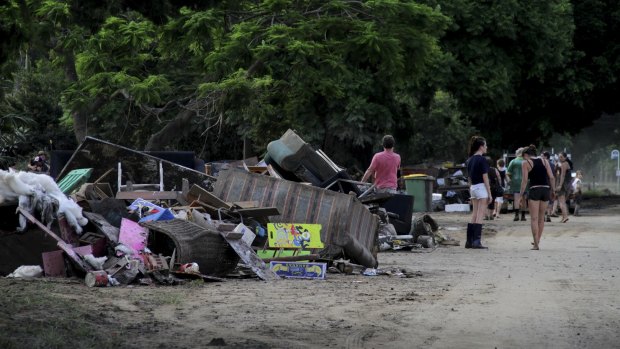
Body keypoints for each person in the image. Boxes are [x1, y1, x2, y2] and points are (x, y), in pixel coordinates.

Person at [519, 145, 555, 250]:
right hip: (545, 190)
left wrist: (521, 195)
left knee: (534, 218)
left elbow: (524, 180)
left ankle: (536, 244)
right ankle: (537, 240)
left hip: (534, 190)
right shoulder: (545, 161)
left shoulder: (526, 163)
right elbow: (551, 177)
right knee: (541, 218)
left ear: (526, 155)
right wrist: (553, 190)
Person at [465, 136, 491, 249]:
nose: (486, 147)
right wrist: (489, 193)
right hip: (481, 187)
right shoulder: (482, 160)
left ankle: (469, 241)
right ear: (481, 147)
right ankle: (477, 242)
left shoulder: (469, 160)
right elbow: (485, 178)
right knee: (480, 214)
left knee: (474, 214)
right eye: (485, 145)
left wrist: (471, 189)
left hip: (473, 188)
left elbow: (469, 178)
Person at [506, 147, 527, 222]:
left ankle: (516, 215)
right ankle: (523, 216)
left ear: (517, 153)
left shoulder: (513, 161)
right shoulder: (527, 161)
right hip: (526, 182)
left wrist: (509, 180)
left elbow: (508, 173)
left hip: (515, 182)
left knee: (517, 199)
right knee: (524, 199)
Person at [556, 152, 572, 223]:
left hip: (563, 185)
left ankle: (565, 217)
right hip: (566, 185)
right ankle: (564, 217)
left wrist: (560, 185)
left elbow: (562, 175)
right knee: (563, 202)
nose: (560, 158)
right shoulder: (566, 164)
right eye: (559, 157)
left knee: (561, 202)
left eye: (561, 157)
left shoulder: (564, 164)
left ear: (565, 157)